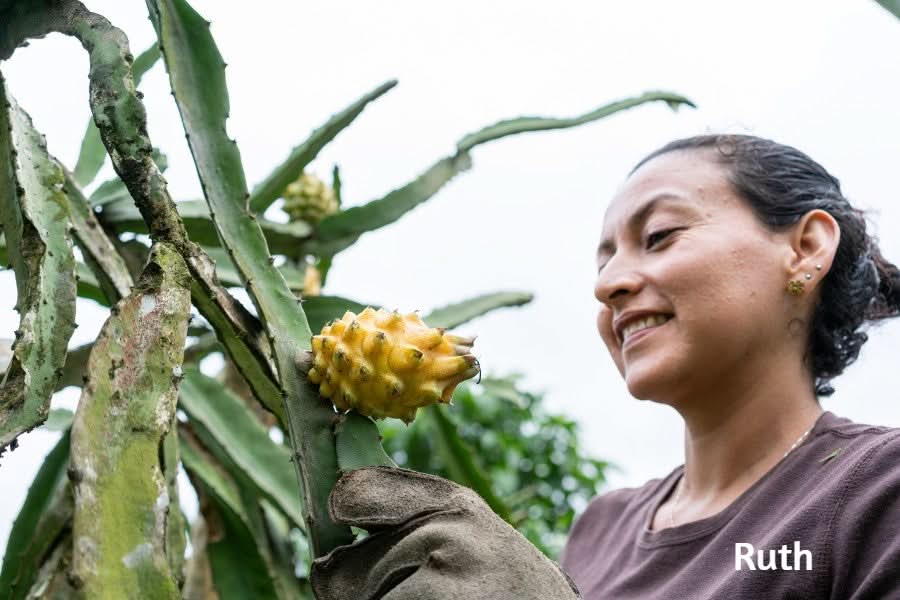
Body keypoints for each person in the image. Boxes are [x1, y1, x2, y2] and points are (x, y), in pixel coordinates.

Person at [309, 134, 900, 599]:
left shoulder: (878, 489)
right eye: (605, 258)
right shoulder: (603, 526)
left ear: (805, 249)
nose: (609, 284)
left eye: (660, 235)